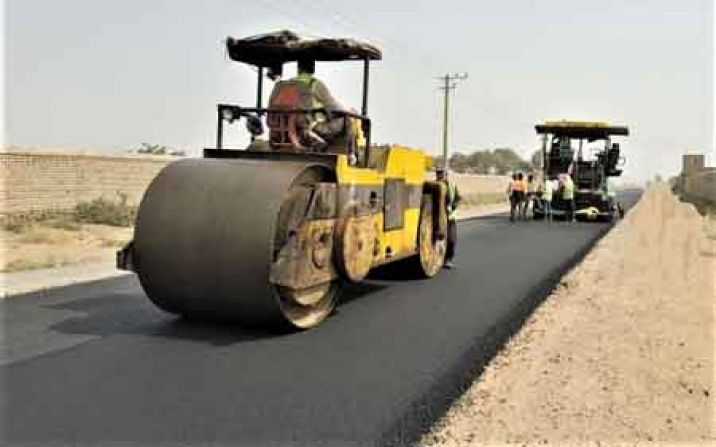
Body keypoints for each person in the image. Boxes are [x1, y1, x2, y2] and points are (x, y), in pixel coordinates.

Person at [437, 168, 461, 269]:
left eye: (442, 173)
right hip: (437, 217)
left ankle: (448, 260)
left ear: (446, 175)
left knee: (451, 239)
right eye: (438, 173)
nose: (440, 175)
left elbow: (458, 197)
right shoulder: (434, 185)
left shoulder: (451, 185)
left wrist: (453, 206)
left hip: (450, 217)